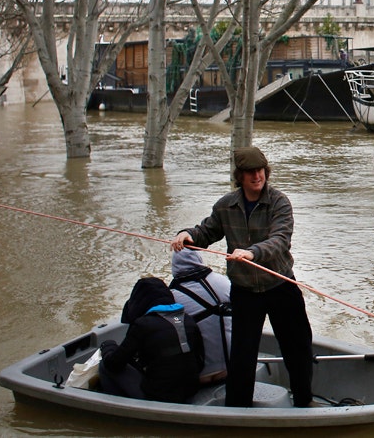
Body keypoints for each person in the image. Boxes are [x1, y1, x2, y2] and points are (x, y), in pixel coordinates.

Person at [171, 146, 314, 408]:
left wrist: (251, 253)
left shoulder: (280, 202)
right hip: (245, 292)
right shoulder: (226, 205)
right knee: (241, 356)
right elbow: (206, 232)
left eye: (260, 170)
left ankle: (304, 404)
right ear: (240, 176)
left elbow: (280, 240)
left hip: (280, 285)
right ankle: (238, 410)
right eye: (250, 172)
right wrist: (186, 235)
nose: (256, 176)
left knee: (298, 350)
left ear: (266, 172)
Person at [98, 277, 204, 403]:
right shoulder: (188, 320)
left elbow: (114, 364)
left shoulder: (143, 324)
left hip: (158, 397)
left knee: (104, 365)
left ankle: (116, 407)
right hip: (190, 391)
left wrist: (108, 346)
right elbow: (200, 361)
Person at [171, 248, 232, 385]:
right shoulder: (224, 282)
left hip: (200, 374)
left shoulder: (173, 296)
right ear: (199, 259)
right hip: (232, 365)